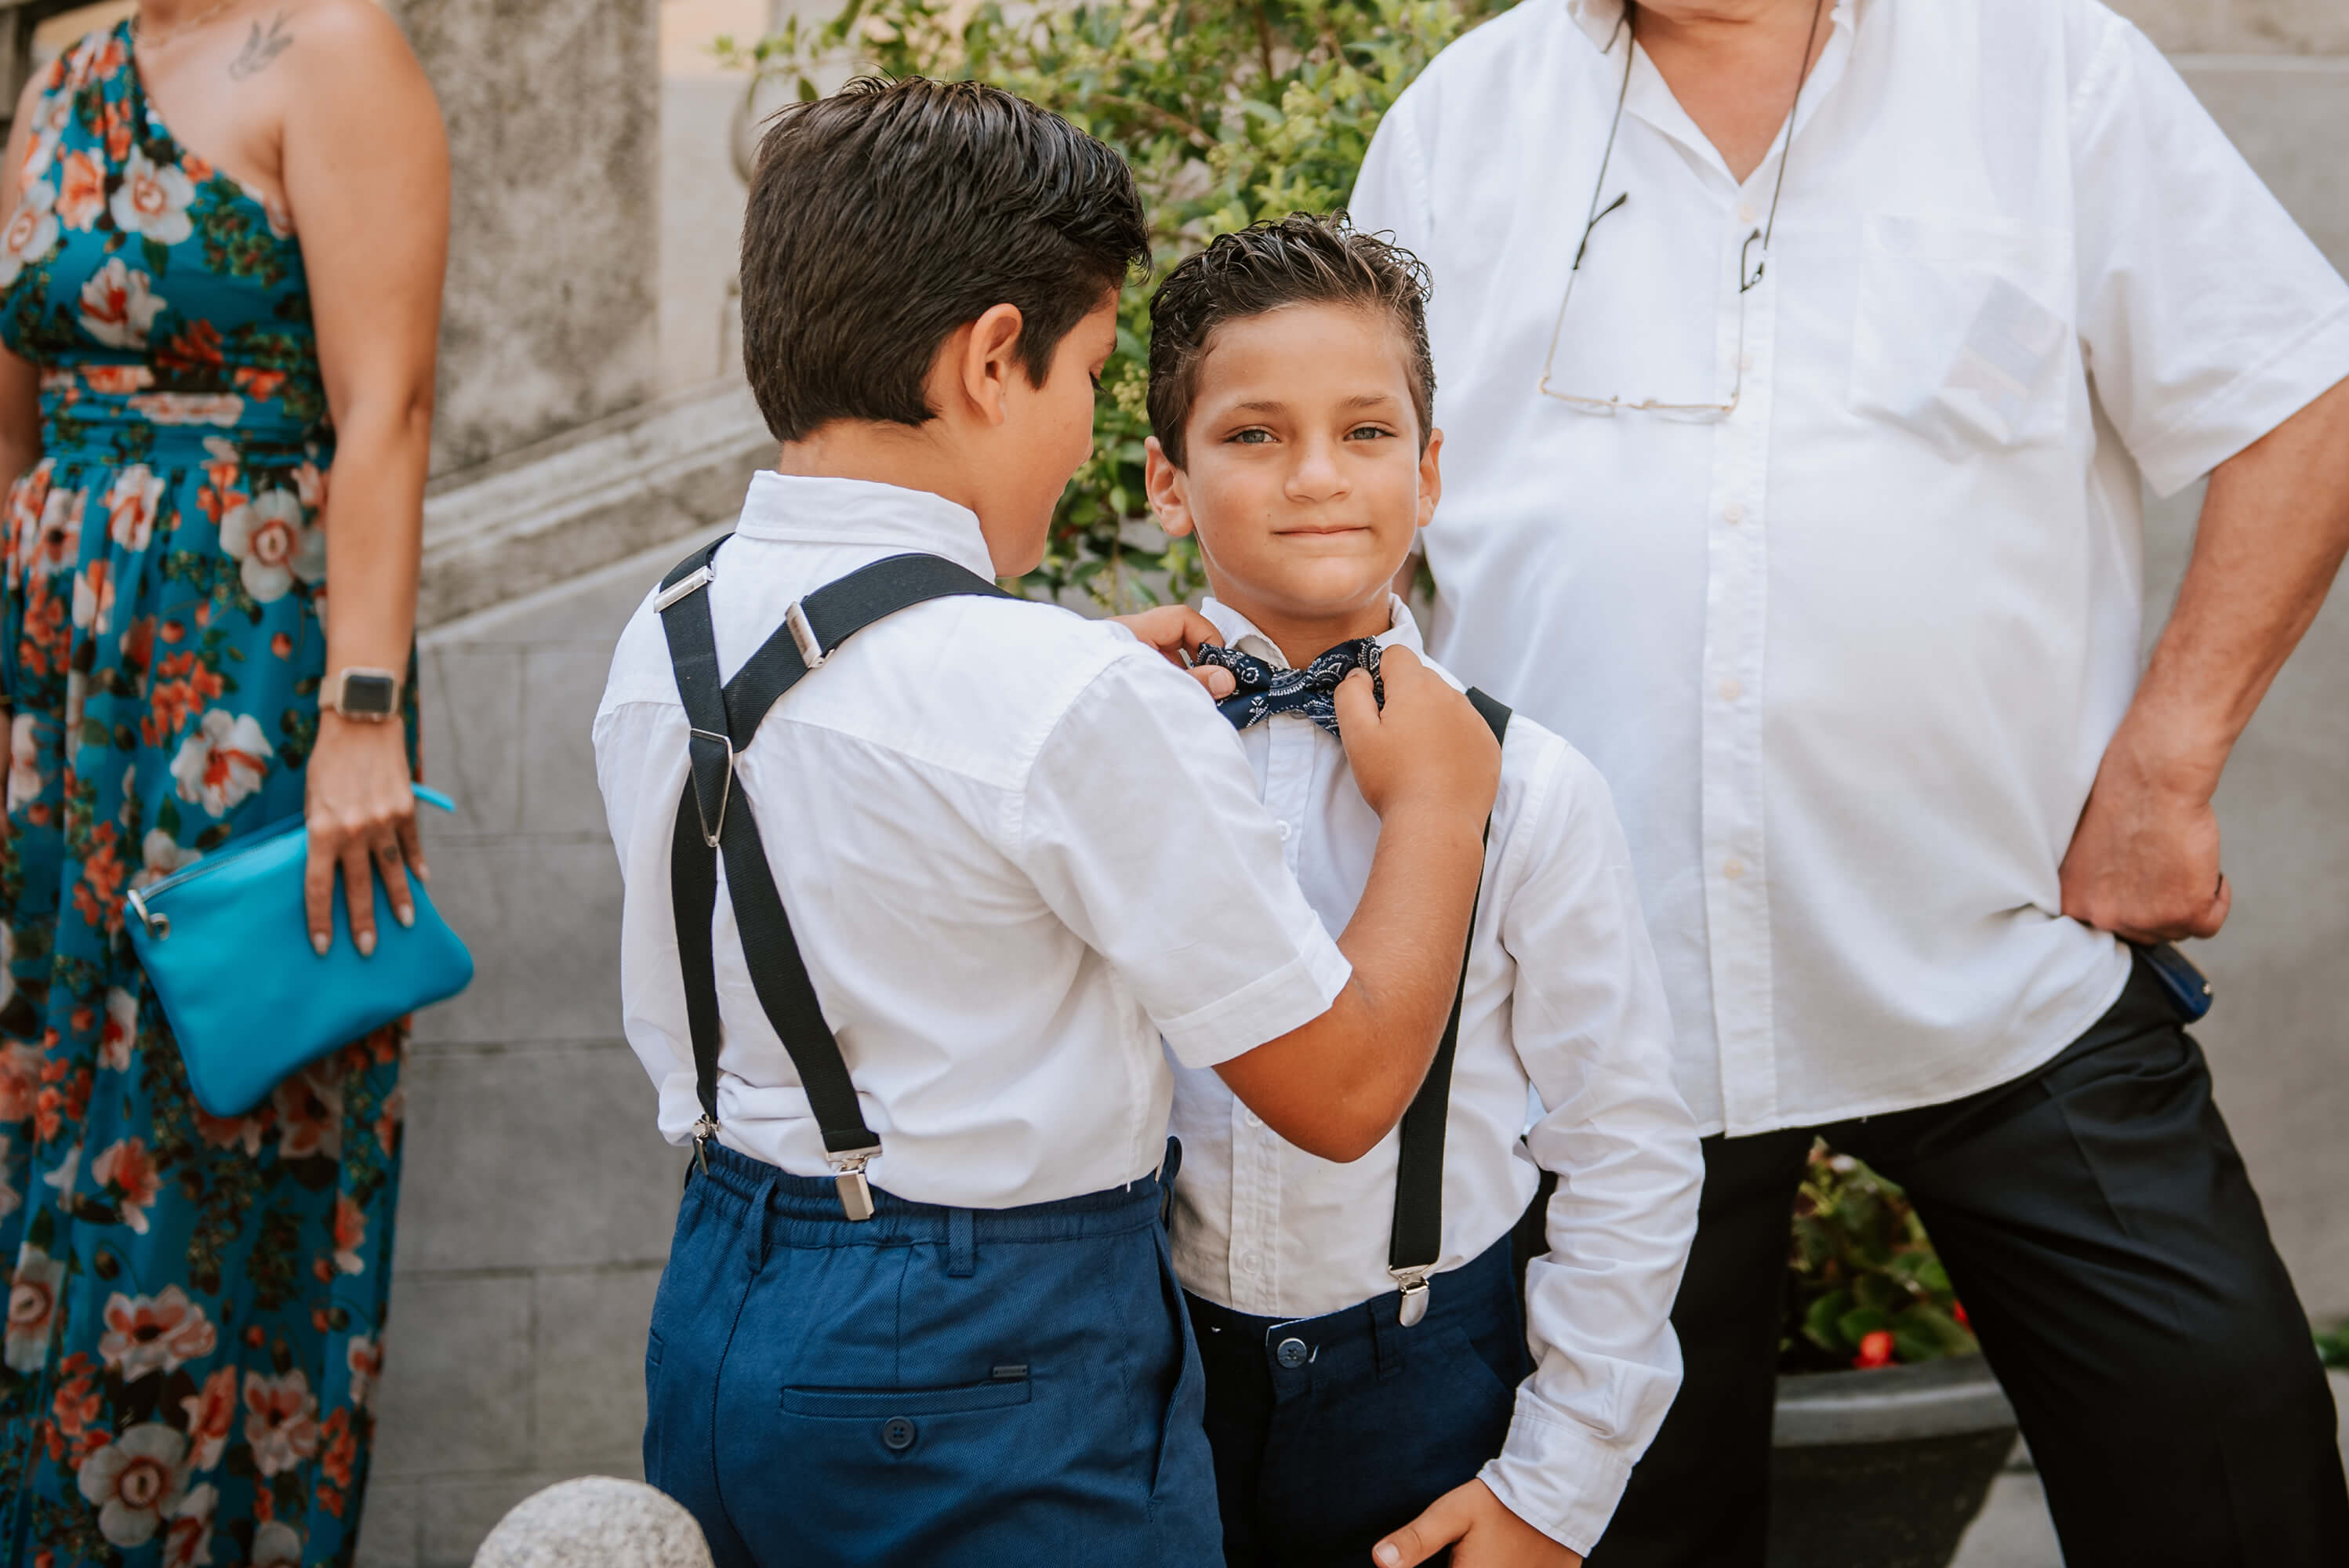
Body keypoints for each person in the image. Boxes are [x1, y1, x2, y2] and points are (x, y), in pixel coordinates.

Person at [1347, 0, 2349, 1562]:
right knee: (1610, 1530)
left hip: (2004, 957)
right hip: (1599, 1012)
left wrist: (2166, 765)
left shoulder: (2039, 65)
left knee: (2235, 1490)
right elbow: (1348, 507)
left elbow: (2302, 395)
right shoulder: (1460, 123)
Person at [591, 79, 1501, 1568]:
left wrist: (1085, 701)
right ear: (993, 359)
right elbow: (1340, 1096)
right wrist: (1441, 805)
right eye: (1086, 373)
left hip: (718, 1311)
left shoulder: (669, 628)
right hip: (988, 1360)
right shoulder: (1055, 701)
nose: (1087, 435)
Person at [1124, 213, 1701, 1568]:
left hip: (1432, 1376)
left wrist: (1554, 1489)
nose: (1316, 475)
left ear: (1431, 472)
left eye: (1367, 433)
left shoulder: (1532, 785)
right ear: (1167, 480)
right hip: (1142, 1379)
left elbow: (1622, 1143)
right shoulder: (1109, 747)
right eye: (1254, 434)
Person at [0, 1, 447, 1562]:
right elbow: (13, 403)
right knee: (41, 1098)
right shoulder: (64, 60)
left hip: (247, 665)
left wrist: (364, 712)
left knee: (217, 1106)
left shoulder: (331, 48)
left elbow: (385, 404)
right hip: (56, 669)